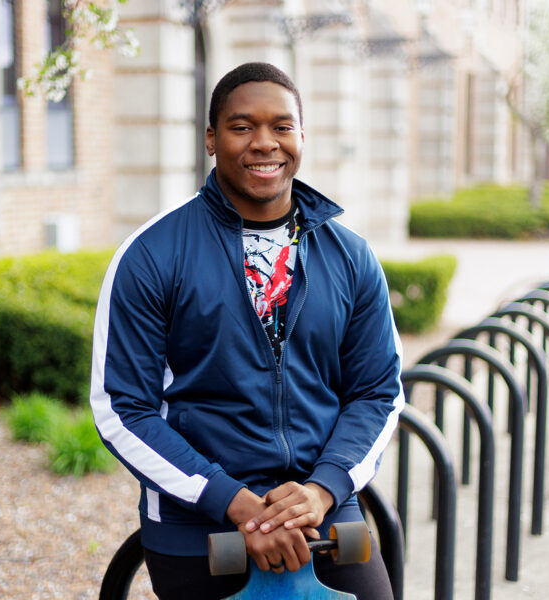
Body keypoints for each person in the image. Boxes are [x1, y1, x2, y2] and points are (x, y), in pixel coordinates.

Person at [90, 62, 402, 600]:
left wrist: (322, 490)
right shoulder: (151, 254)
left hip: (322, 515)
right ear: (211, 138)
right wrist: (236, 504)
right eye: (242, 127)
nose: (265, 143)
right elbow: (122, 409)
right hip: (199, 523)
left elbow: (378, 390)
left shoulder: (351, 255)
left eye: (282, 126)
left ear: (302, 136)